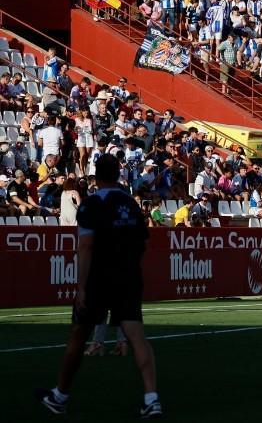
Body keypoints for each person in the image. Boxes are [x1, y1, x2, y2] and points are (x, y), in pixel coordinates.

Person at [37, 154, 162, 419]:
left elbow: (85, 246)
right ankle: (151, 398)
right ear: (118, 174)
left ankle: (59, 396)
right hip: (127, 275)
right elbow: (144, 243)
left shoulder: (92, 204)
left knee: (79, 335)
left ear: (97, 175)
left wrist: (80, 286)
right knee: (136, 335)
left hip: (98, 277)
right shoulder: (130, 203)